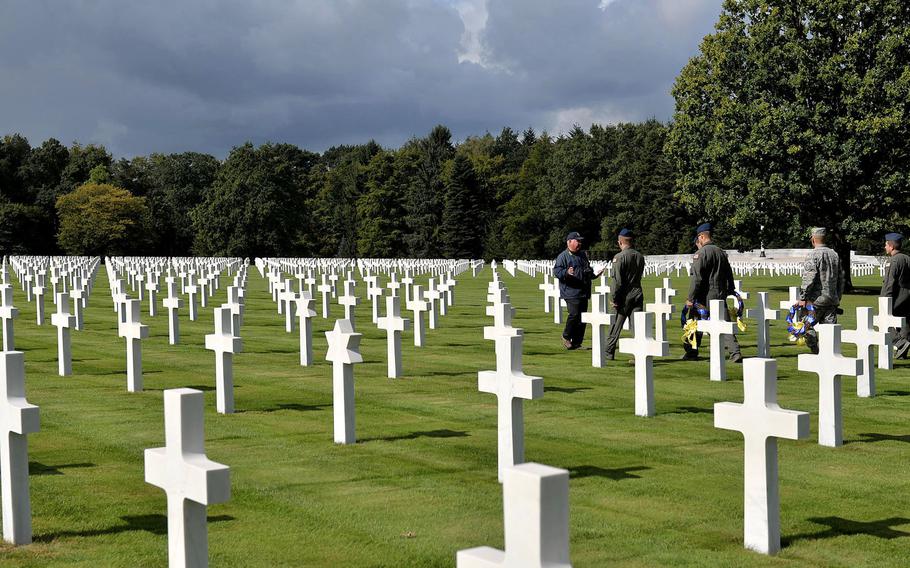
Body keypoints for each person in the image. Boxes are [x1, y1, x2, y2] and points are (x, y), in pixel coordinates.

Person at [682, 223, 742, 362]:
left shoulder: (701, 254)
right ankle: (735, 352)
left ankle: (692, 352)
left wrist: (690, 298)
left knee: (694, 321)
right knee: (724, 323)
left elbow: (697, 279)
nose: (698, 242)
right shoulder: (721, 252)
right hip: (720, 293)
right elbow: (729, 273)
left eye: (698, 239)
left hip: (704, 294)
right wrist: (731, 289)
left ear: (702, 237)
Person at [798, 227, 844, 354]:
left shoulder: (813, 255)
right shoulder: (834, 254)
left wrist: (803, 298)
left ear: (813, 239)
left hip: (815, 301)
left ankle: (815, 348)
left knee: (804, 324)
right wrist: (837, 297)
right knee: (829, 332)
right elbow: (841, 279)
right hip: (831, 299)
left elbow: (809, 278)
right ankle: (828, 355)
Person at [553, 231, 603, 349]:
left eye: (580, 241)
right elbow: (557, 271)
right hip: (571, 291)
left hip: (583, 291)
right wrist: (566, 272)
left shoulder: (582, 255)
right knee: (574, 314)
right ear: (569, 242)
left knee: (583, 317)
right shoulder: (563, 256)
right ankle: (566, 336)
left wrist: (595, 274)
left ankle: (577, 342)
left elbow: (587, 270)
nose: (580, 243)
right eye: (577, 241)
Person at [604, 228, 644, 360]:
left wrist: (614, 298)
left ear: (620, 242)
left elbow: (618, 281)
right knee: (637, 326)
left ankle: (608, 352)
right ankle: (638, 354)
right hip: (637, 293)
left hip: (624, 296)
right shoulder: (639, 256)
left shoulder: (619, 257)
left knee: (615, 325)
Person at [880, 232, 910, 359]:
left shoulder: (893, 261)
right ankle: (903, 352)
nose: (884, 247)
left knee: (884, 321)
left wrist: (884, 299)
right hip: (908, 295)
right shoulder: (907, 258)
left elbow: (889, 283)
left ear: (891, 246)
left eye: (886, 244)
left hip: (897, 296)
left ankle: (900, 343)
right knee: (905, 323)